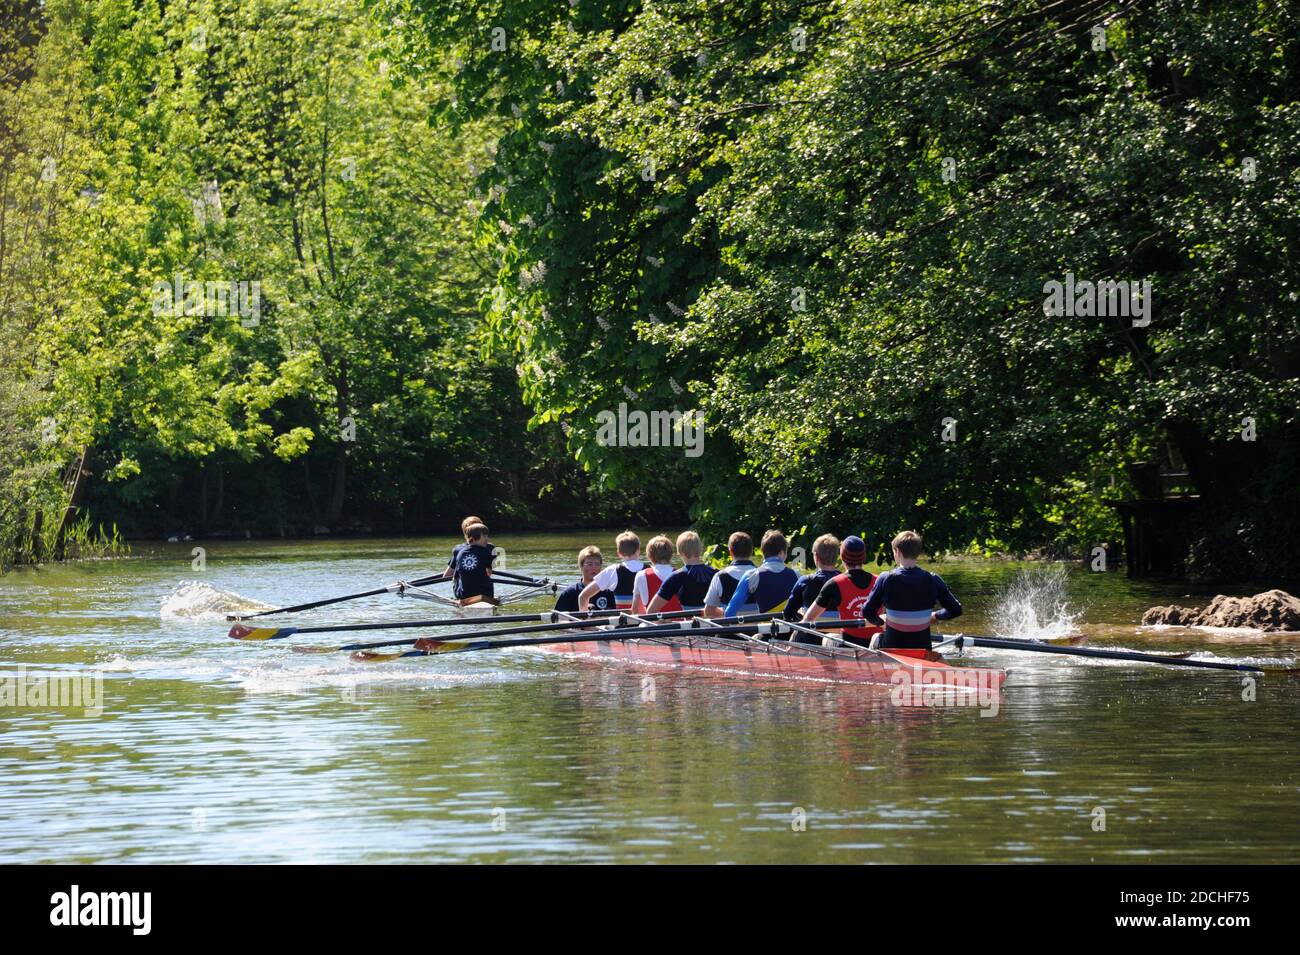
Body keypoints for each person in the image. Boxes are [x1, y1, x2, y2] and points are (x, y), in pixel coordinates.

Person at [860, 530, 962, 655]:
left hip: (892, 646)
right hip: (923, 648)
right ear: (917, 553)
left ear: (897, 552)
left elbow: (867, 611)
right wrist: (935, 616)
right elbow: (956, 610)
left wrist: (881, 622)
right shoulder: (933, 579)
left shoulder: (886, 578)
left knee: (876, 636)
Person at [801, 535, 883, 647]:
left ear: (842, 556)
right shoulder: (880, 580)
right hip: (876, 645)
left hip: (848, 645)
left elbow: (808, 619)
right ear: (863, 557)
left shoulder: (834, 583)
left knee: (827, 638)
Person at [723, 529, 799, 616]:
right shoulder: (797, 576)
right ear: (782, 553)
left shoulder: (751, 575)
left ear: (763, 552)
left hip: (766, 624)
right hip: (791, 624)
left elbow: (729, 612)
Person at [783, 534, 841, 642]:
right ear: (837, 556)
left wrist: (801, 614)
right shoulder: (845, 581)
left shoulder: (805, 581)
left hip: (810, 639)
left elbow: (788, 613)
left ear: (816, 557)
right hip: (839, 639)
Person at [647, 531, 715, 612]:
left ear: (679, 552)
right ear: (700, 550)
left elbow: (651, 611)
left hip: (689, 619)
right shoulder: (716, 574)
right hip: (716, 619)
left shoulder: (676, 577)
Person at [578, 531, 643, 611]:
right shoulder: (650, 570)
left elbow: (583, 597)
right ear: (638, 550)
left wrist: (585, 617)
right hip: (648, 618)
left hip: (624, 618)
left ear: (619, 553)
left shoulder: (613, 570)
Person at [702, 531, 756, 618]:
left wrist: (724, 612)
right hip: (759, 625)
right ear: (751, 551)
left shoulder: (720, 576)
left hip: (730, 625)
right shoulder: (761, 574)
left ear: (730, 552)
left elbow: (709, 611)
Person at [554, 546, 616, 613]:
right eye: (589, 564)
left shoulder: (609, 593)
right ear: (581, 566)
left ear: (601, 567)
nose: (594, 567)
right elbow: (558, 617)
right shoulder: (569, 593)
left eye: (597, 564)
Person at [631, 535, 680, 614]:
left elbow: (635, 610)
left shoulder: (641, 575)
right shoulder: (681, 574)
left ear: (649, 556)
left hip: (652, 621)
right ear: (671, 555)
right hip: (679, 621)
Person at [452, 522, 495, 603]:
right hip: (485, 594)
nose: (487, 539)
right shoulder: (486, 552)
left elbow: (456, 575)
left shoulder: (460, 552)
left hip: (464, 596)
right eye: (484, 536)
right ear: (473, 538)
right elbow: (489, 573)